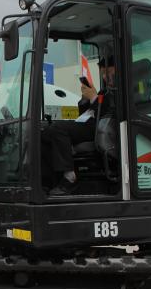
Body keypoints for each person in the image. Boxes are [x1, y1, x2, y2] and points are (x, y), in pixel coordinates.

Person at [42, 56, 116, 196]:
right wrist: (85, 100)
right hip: (86, 122)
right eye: (104, 74)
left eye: (110, 74)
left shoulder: (119, 92)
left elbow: (109, 114)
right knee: (45, 132)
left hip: (100, 128)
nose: (107, 78)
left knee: (58, 128)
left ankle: (70, 177)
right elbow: (88, 111)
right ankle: (48, 180)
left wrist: (94, 98)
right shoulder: (103, 92)